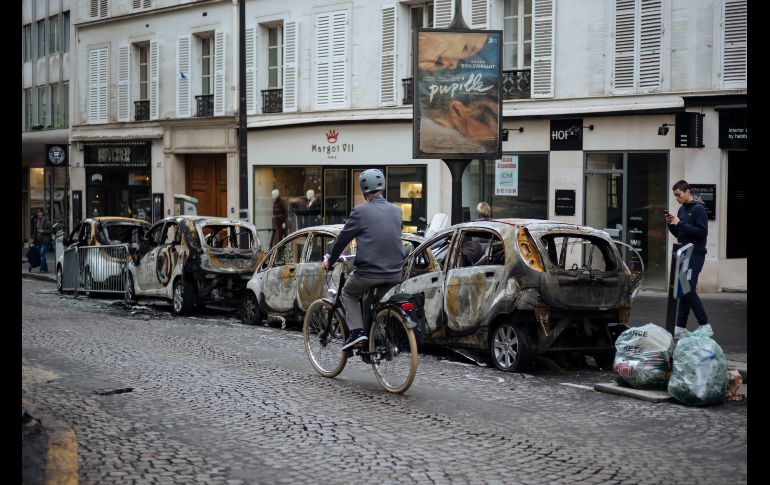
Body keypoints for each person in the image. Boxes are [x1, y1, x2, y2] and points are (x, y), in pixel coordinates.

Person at [323, 169, 405, 351]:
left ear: (364, 190)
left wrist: (330, 260)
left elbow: (342, 239)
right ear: (383, 188)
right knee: (368, 301)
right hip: (395, 272)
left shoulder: (360, 211)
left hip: (369, 273)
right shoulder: (397, 210)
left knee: (348, 293)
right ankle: (371, 343)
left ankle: (357, 333)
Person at [666, 180, 712, 339]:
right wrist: (671, 224)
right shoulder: (681, 210)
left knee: (688, 289)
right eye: (675, 195)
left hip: (696, 254)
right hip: (684, 253)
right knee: (683, 290)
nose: (677, 198)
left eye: (678, 195)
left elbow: (701, 232)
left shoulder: (699, 209)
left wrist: (681, 223)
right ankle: (680, 327)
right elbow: (681, 235)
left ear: (688, 192)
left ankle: (705, 324)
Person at [33, 209, 53, 273]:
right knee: (41, 255)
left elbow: (51, 230)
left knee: (42, 253)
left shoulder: (47, 221)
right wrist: (34, 240)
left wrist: (43, 231)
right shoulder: (36, 221)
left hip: (45, 240)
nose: (40, 216)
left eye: (41, 215)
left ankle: (41, 269)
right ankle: (45, 268)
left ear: (43, 215)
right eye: (39, 215)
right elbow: (35, 231)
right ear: (37, 215)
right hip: (39, 240)